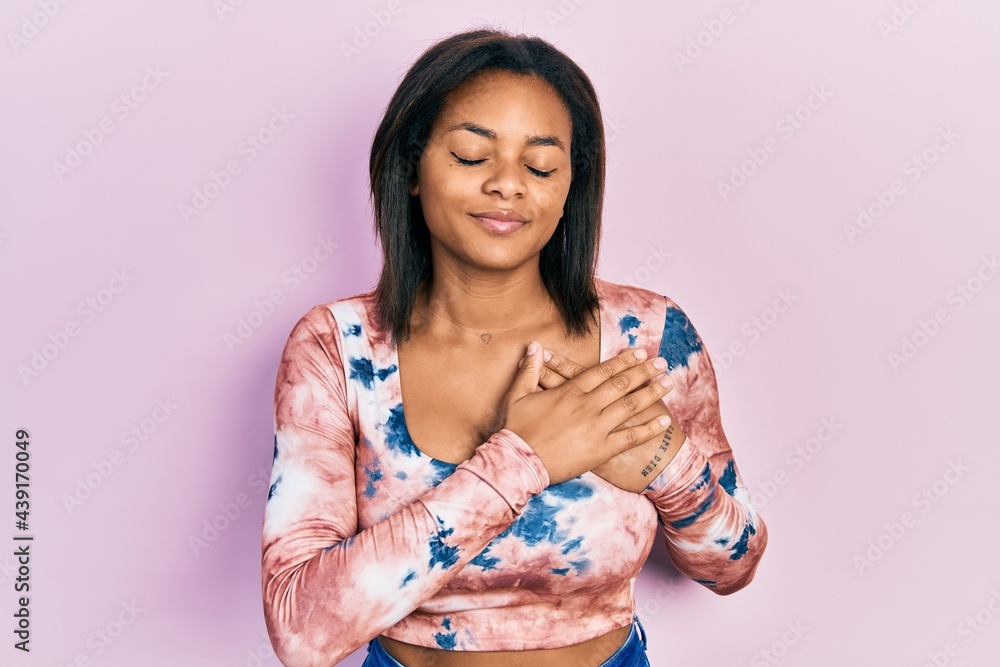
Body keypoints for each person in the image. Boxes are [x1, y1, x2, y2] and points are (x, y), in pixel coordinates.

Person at [261, 27, 768, 667]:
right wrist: (524, 460)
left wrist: (670, 466)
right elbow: (302, 631)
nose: (508, 184)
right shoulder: (336, 348)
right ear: (411, 169)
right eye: (473, 157)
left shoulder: (649, 334)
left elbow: (732, 567)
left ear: (568, 189)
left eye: (541, 165)